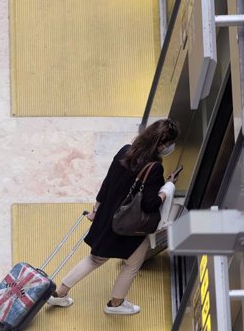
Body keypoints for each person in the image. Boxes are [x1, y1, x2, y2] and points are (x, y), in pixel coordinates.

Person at [47, 118, 180, 315]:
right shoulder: (154, 168)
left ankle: (58, 294)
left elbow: (107, 183)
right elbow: (150, 204)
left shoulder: (125, 151)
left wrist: (95, 210)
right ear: (160, 145)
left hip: (107, 217)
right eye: (169, 144)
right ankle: (115, 305)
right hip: (127, 228)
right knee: (132, 264)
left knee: (94, 259)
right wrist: (167, 188)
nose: (170, 148)